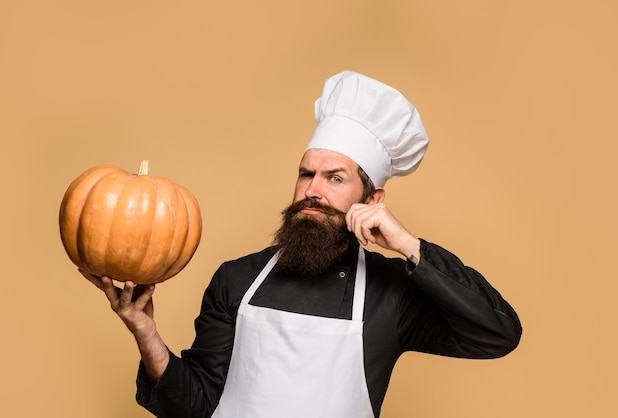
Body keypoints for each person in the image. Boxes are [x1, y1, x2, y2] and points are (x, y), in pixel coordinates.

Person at [82, 70, 522, 418]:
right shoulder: (237, 278)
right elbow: (195, 407)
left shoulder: (392, 295)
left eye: (335, 178)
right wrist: (146, 334)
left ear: (372, 200)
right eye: (306, 173)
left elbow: (497, 332)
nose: (314, 190)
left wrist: (408, 244)